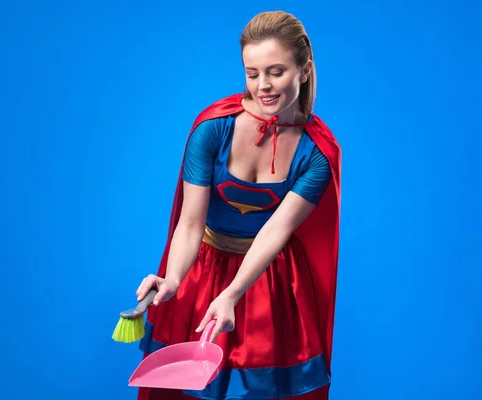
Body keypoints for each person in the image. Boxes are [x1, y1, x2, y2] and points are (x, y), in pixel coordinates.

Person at [134, 10, 342, 400]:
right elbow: (191, 222)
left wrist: (232, 293)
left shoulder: (317, 153)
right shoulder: (213, 128)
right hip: (202, 271)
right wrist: (173, 280)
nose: (262, 85)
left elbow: (276, 231)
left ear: (304, 69)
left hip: (270, 279)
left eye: (276, 71)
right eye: (252, 73)